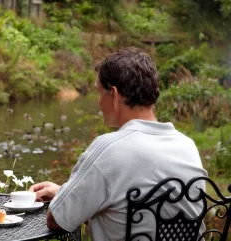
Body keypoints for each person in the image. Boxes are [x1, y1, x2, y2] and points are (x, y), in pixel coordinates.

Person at [29, 47, 207, 240]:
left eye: (99, 93)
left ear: (114, 94)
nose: (98, 102)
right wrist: (65, 194)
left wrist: (64, 201)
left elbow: (56, 219)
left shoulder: (108, 148)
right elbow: (135, 216)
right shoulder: (187, 145)